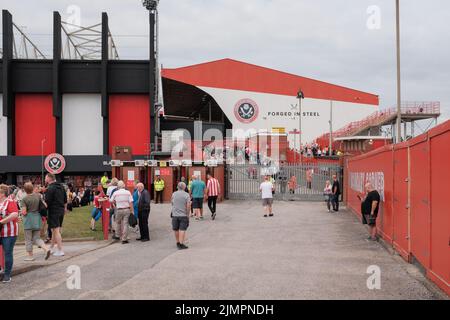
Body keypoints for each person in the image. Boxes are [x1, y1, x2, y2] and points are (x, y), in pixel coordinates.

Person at [21, 182, 51, 261]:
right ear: (32, 188)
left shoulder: (24, 199)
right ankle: (46, 249)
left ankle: (30, 256)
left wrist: (21, 212)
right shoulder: (38, 196)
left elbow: (24, 212)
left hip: (28, 220)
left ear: (25, 190)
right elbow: (45, 205)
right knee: (37, 238)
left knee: (28, 239)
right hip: (37, 219)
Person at [0, 184, 20, 283]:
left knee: (8, 252)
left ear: (2, 194)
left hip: (9, 232)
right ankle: (1, 270)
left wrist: (2, 222)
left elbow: (15, 214)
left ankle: (7, 275)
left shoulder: (10, 202)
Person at [44, 174, 67, 257]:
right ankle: (51, 247)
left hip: (53, 211)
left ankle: (60, 250)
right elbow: (65, 200)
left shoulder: (50, 188)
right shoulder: (61, 187)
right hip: (61, 210)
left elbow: (47, 202)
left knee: (56, 231)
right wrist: (65, 209)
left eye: (45, 177)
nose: (44, 179)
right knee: (54, 230)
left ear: (49, 179)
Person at [171, 182, 191, 250]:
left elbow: (172, 203)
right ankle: (181, 244)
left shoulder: (174, 194)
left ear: (177, 187)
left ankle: (177, 242)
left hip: (175, 215)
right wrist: (187, 214)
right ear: (184, 187)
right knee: (182, 229)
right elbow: (188, 205)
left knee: (176, 229)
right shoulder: (186, 195)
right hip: (183, 215)